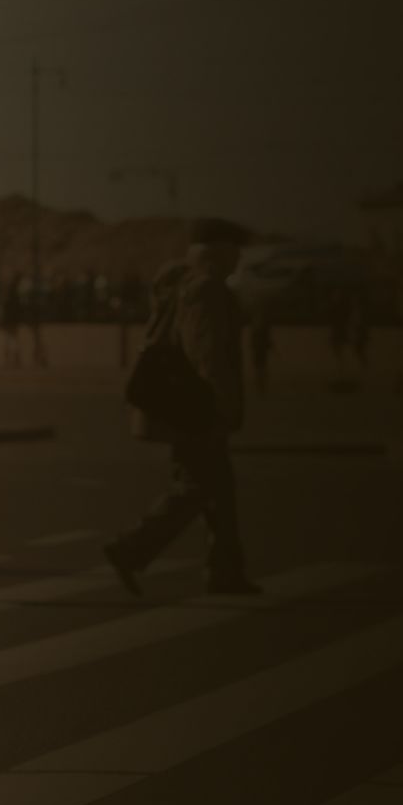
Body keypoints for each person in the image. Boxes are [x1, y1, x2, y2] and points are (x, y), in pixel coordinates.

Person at [104, 217, 256, 596]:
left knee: (219, 491)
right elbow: (207, 354)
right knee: (196, 488)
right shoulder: (205, 291)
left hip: (186, 406)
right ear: (218, 252)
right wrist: (222, 406)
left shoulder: (182, 286)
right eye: (234, 251)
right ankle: (130, 548)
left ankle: (225, 572)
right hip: (197, 409)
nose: (238, 259)